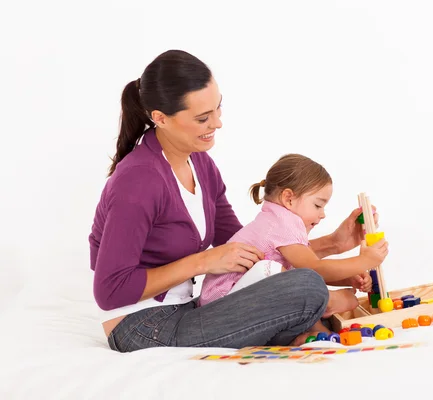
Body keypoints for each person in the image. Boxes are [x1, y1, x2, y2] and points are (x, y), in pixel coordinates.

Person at [88, 49, 381, 352]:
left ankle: (299, 323)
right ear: (160, 118)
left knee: (290, 281)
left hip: (191, 309)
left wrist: (332, 243)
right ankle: (311, 312)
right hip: (143, 326)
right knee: (306, 286)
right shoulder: (138, 182)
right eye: (203, 118)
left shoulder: (201, 166)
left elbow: (250, 252)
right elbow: (110, 291)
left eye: (218, 109)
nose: (217, 123)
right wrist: (202, 261)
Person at [199, 153, 389, 329]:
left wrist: (348, 277)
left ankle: (310, 331)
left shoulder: (276, 218)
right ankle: (326, 303)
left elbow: (303, 268)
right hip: (221, 304)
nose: (322, 215)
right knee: (270, 270)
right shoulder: (281, 223)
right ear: (288, 198)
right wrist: (364, 262)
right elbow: (313, 268)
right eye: (317, 205)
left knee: (284, 276)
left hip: (236, 299)